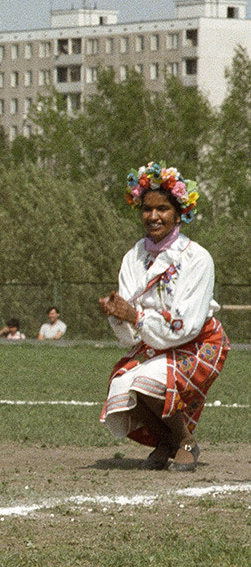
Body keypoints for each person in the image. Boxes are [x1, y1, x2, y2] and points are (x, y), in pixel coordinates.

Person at [99, 162, 229, 471]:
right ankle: (166, 440)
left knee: (146, 381)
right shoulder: (134, 257)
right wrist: (117, 314)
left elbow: (187, 323)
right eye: (147, 209)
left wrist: (136, 316)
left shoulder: (197, 258)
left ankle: (185, 442)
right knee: (121, 385)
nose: (154, 216)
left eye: (163, 209)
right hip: (156, 343)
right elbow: (130, 321)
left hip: (198, 342)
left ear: (180, 211)